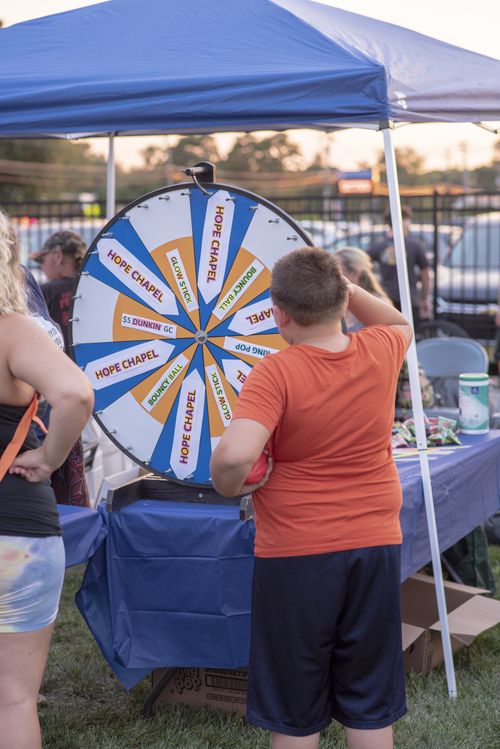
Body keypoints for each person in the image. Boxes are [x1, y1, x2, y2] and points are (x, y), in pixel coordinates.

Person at [210, 247, 412, 749]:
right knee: (369, 700)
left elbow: (235, 456)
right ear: (344, 300)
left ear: (279, 315)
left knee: (295, 707)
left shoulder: (276, 371)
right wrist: (343, 287)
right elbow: (399, 321)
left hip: (297, 552)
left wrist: (228, 485)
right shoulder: (382, 347)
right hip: (374, 543)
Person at [0, 210, 94, 749]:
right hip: (16, 530)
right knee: (13, 699)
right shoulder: (13, 330)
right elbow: (76, 394)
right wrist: (48, 459)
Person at [336, 247, 434, 410]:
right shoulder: (341, 305)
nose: (333, 279)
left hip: (384, 388)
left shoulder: (377, 303)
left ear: (355, 274)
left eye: (338, 273)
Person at [367, 206, 430, 329]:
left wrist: (373, 287)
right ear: (404, 221)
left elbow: (362, 264)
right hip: (410, 299)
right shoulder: (414, 245)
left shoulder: (379, 245)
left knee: (390, 337)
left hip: (386, 301)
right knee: (410, 335)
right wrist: (424, 299)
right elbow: (426, 274)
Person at [30, 230, 86, 351]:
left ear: (58, 256)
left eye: (42, 261)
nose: (42, 267)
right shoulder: (96, 288)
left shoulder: (45, 292)